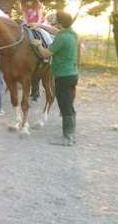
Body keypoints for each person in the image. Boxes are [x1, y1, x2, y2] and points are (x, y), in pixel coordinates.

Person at [33, 11, 79, 146]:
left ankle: (67, 137)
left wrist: (38, 44)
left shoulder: (61, 38)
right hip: (72, 74)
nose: (54, 24)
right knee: (69, 104)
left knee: (64, 106)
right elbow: (54, 30)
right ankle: (71, 134)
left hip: (62, 76)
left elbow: (45, 53)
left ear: (60, 23)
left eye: (56, 21)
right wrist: (40, 26)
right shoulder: (71, 33)